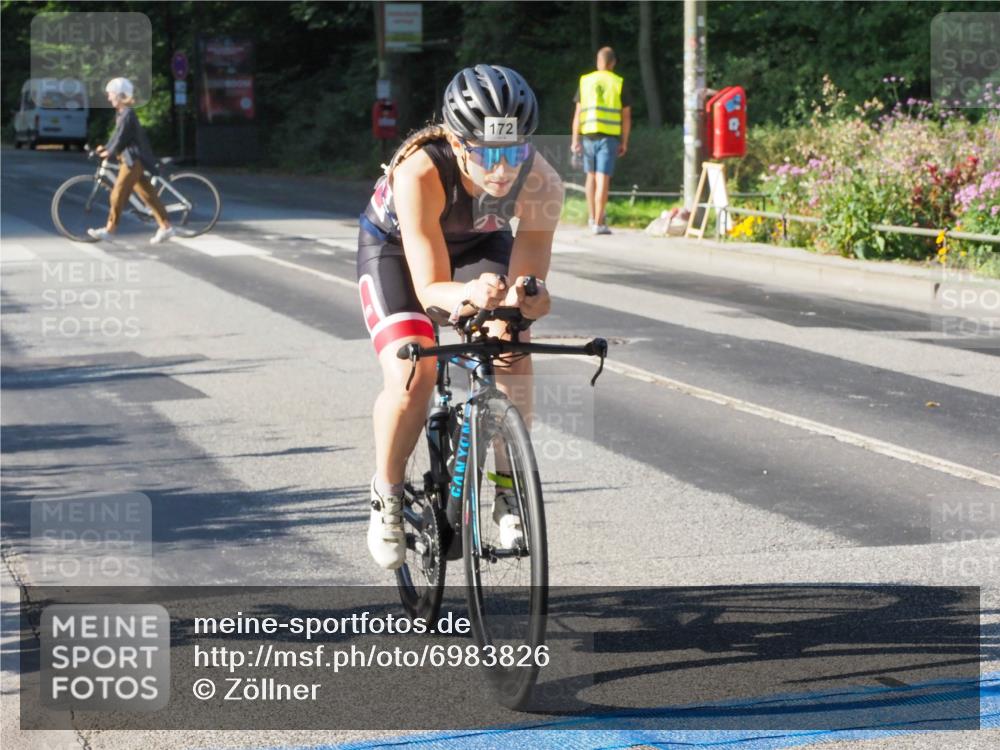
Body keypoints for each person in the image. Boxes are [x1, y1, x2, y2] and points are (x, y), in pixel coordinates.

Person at [357, 64, 563, 570]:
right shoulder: (419, 173)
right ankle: (387, 495)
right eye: (487, 154)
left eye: (513, 152)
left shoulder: (542, 181)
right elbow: (430, 288)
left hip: (480, 238)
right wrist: (469, 292)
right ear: (455, 140)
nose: (502, 170)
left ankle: (507, 489)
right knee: (415, 369)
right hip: (395, 250)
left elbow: (527, 285)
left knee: (509, 339)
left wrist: (528, 300)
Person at [88, 78, 175, 244]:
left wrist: (109, 151)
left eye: (111, 94)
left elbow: (122, 138)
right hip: (131, 160)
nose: (108, 98)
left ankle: (110, 229)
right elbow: (116, 136)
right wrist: (106, 147)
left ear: (120, 95)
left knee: (118, 192)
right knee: (148, 195)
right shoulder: (122, 113)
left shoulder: (127, 113)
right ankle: (166, 226)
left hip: (133, 161)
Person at [570, 47, 632, 235]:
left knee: (590, 176)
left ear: (598, 61)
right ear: (613, 63)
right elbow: (626, 116)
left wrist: (575, 139)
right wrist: (624, 141)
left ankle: (591, 217)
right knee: (602, 178)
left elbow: (578, 113)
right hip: (609, 137)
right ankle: (599, 222)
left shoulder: (585, 81)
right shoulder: (618, 82)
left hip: (588, 135)